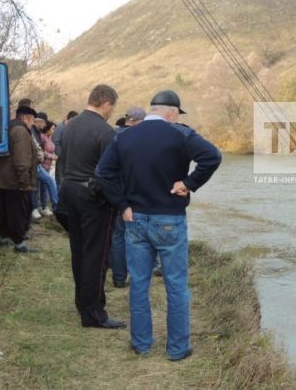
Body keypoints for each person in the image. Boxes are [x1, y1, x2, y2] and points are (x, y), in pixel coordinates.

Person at [95, 90, 221, 360]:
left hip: (135, 218)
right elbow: (212, 157)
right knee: (176, 284)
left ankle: (141, 344)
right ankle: (177, 349)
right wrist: (189, 184)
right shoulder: (181, 134)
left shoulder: (124, 136)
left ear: (151, 110)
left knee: (139, 283)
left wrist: (122, 205)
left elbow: (102, 173)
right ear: (172, 113)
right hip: (170, 221)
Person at [59, 84, 125, 329]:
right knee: (96, 256)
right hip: (93, 196)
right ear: (106, 103)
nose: (111, 112)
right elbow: (110, 173)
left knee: (79, 251)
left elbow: (62, 162)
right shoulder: (104, 131)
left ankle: (83, 304)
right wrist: (119, 202)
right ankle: (94, 314)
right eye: (112, 107)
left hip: (70, 191)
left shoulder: (70, 126)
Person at [0, 105, 39, 253]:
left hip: (1, 179)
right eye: (32, 121)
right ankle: (19, 244)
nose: (32, 125)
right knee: (18, 212)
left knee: (4, 212)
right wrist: (24, 182)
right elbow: (22, 159)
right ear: (26, 118)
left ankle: (2, 238)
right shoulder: (21, 131)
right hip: (15, 181)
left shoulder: (8, 128)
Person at [109, 106, 146, 288]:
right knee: (137, 237)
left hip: (116, 194)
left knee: (117, 235)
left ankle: (118, 277)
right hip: (134, 194)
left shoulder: (114, 137)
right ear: (139, 121)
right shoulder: (139, 139)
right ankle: (137, 275)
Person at [52, 110, 78, 189]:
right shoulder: (60, 128)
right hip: (61, 158)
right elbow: (56, 143)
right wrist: (61, 155)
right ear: (70, 119)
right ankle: (59, 197)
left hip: (67, 158)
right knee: (60, 178)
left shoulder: (69, 128)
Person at [38, 121, 59, 217]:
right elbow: (41, 152)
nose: (54, 131)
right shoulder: (42, 137)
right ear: (48, 129)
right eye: (53, 129)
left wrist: (54, 155)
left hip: (47, 166)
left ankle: (44, 207)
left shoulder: (49, 138)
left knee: (44, 188)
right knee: (43, 185)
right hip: (41, 165)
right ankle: (40, 207)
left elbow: (51, 149)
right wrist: (51, 156)